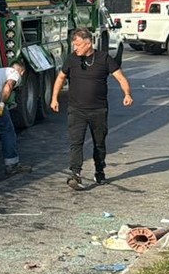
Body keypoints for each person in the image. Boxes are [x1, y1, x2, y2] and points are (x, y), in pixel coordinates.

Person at [50, 27, 134, 190]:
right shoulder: (72, 59)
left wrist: (127, 94)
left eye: (78, 45)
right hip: (76, 110)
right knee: (76, 142)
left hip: (98, 110)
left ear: (88, 44)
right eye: (74, 45)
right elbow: (61, 77)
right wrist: (54, 98)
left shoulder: (104, 58)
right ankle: (76, 174)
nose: (75, 49)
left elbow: (120, 77)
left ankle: (99, 170)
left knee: (99, 144)